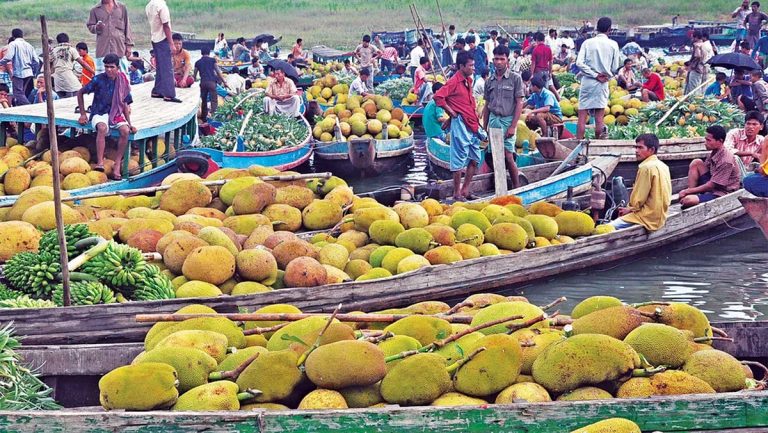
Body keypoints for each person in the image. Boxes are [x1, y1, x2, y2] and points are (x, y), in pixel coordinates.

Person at [434, 51, 486, 200]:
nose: (473, 68)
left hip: (472, 124)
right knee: (458, 161)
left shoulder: (468, 80)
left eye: (473, 65)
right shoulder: (454, 81)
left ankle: (465, 190)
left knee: (475, 158)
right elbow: (438, 97)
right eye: (470, 66)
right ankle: (457, 193)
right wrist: (451, 112)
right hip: (461, 125)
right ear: (461, 66)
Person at [77, 53, 135, 179]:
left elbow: (125, 103)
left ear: (117, 68)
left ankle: (118, 162)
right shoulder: (98, 79)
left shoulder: (122, 81)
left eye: (112, 67)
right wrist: (82, 114)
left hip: (115, 113)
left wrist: (130, 124)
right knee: (102, 128)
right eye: (106, 67)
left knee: (125, 131)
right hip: (99, 112)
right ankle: (100, 162)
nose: (108, 69)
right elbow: (80, 93)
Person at [482, 44, 525, 189]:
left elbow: (519, 103)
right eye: (496, 59)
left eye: (501, 59)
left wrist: (513, 126)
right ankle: (499, 184)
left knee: (508, 154)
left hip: (507, 121)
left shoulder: (515, 78)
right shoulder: (489, 81)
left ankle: (517, 186)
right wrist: (484, 127)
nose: (498, 62)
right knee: (494, 155)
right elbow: (487, 105)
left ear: (507, 60)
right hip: (494, 121)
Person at [609, 133, 672, 231]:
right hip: (660, 215)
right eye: (636, 147)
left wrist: (629, 209)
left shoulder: (645, 168)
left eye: (640, 148)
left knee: (608, 227)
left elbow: (638, 200)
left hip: (647, 216)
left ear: (651, 150)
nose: (636, 151)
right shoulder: (663, 166)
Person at [576, 17, 621, 139]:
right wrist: (603, 75)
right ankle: (597, 144)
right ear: (609, 29)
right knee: (599, 119)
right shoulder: (613, 44)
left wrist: (594, 74)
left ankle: (577, 146)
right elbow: (615, 67)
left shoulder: (587, 43)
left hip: (588, 82)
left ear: (597, 28)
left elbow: (579, 63)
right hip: (603, 83)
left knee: (582, 117)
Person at [680, 125, 742, 208]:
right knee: (696, 162)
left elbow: (711, 185)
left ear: (720, 141)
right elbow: (707, 170)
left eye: (708, 140)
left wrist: (687, 191)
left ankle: (691, 194)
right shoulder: (714, 152)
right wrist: (689, 191)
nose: (705, 143)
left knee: (688, 200)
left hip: (721, 191)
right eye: (705, 139)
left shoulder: (726, 160)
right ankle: (693, 193)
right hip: (713, 183)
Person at [146, 0, 180, 103]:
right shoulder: (161, 5)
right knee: (167, 67)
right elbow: (166, 25)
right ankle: (169, 94)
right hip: (162, 39)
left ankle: (157, 90)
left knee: (160, 67)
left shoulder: (149, 5)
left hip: (154, 38)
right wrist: (171, 43)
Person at [87, 0, 133, 73]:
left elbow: (127, 26)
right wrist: (97, 27)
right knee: (101, 75)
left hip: (119, 48)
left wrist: (129, 46)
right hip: (103, 49)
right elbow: (90, 26)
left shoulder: (122, 8)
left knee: (122, 75)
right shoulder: (95, 10)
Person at [0, 29, 37, 106]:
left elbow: (8, 57)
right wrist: (33, 71)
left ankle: (29, 107)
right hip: (29, 72)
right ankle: (22, 107)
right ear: (22, 35)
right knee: (23, 92)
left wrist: (0, 62)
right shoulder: (29, 45)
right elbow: (36, 61)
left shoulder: (13, 44)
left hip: (19, 73)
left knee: (17, 93)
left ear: (13, 36)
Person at [51, 33, 95, 98]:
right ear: (68, 40)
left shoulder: (53, 51)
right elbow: (83, 63)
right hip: (68, 78)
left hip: (57, 80)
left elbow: (50, 66)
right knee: (79, 91)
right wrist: (94, 72)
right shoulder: (71, 49)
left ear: (57, 41)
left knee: (62, 99)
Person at [194, 47, 227, 121]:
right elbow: (218, 72)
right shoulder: (212, 60)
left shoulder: (197, 62)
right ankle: (213, 115)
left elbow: (194, 76)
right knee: (214, 100)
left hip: (203, 83)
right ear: (209, 53)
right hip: (212, 83)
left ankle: (203, 118)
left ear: (201, 53)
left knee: (204, 100)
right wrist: (224, 82)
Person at [530, 32, 558, 101]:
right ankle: (547, 102)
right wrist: (550, 72)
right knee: (546, 89)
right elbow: (551, 62)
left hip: (538, 72)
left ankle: (539, 103)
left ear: (536, 40)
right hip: (546, 71)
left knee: (538, 89)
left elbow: (533, 63)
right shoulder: (548, 49)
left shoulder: (535, 49)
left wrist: (531, 74)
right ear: (544, 40)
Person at [685, 31, 706, 95]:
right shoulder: (703, 44)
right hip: (700, 69)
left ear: (696, 37)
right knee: (695, 86)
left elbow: (698, 55)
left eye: (692, 37)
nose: (692, 39)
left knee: (693, 88)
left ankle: (693, 101)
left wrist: (691, 64)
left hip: (696, 69)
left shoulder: (697, 45)